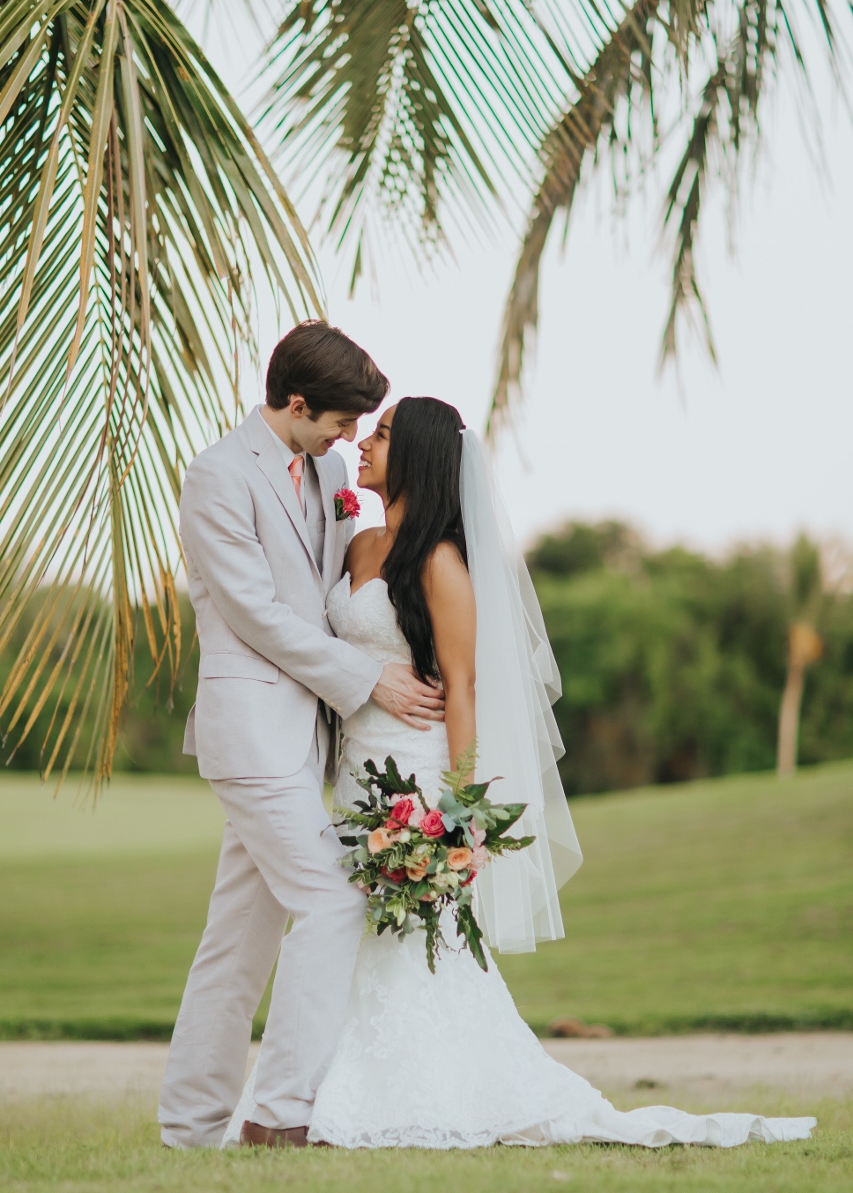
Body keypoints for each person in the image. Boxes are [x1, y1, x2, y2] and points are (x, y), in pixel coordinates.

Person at [223, 396, 815, 1150]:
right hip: (352, 774)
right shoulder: (358, 543)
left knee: (411, 941)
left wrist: (460, 814)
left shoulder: (439, 564)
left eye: (382, 434)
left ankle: (407, 1093)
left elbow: (463, 689)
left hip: (416, 776)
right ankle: (312, 1089)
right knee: (347, 931)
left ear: (423, 458)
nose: (363, 443)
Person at [158, 325, 445, 1150]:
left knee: (236, 941)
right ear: (294, 403)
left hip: (308, 741)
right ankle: (279, 1113)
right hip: (247, 735)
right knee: (331, 898)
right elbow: (256, 612)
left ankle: (188, 1127)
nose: (350, 440)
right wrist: (368, 678)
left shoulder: (323, 469)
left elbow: (332, 586)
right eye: (341, 423)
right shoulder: (217, 476)